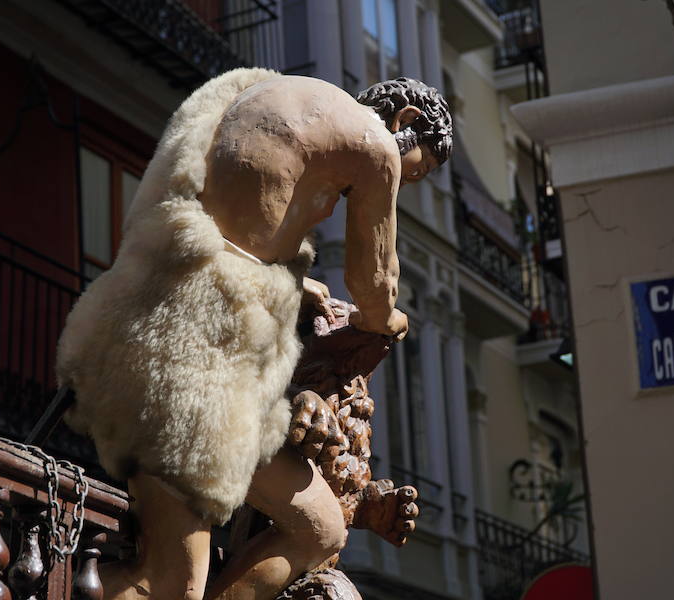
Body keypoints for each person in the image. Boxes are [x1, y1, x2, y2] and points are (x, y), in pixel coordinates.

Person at [56, 69, 452, 600]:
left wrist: (293, 283)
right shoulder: (375, 141)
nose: (406, 182)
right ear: (405, 121)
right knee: (172, 584)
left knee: (319, 527)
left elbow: (223, 225)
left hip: (144, 329)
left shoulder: (262, 92)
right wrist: (386, 321)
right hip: (199, 360)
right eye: (417, 170)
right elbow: (374, 282)